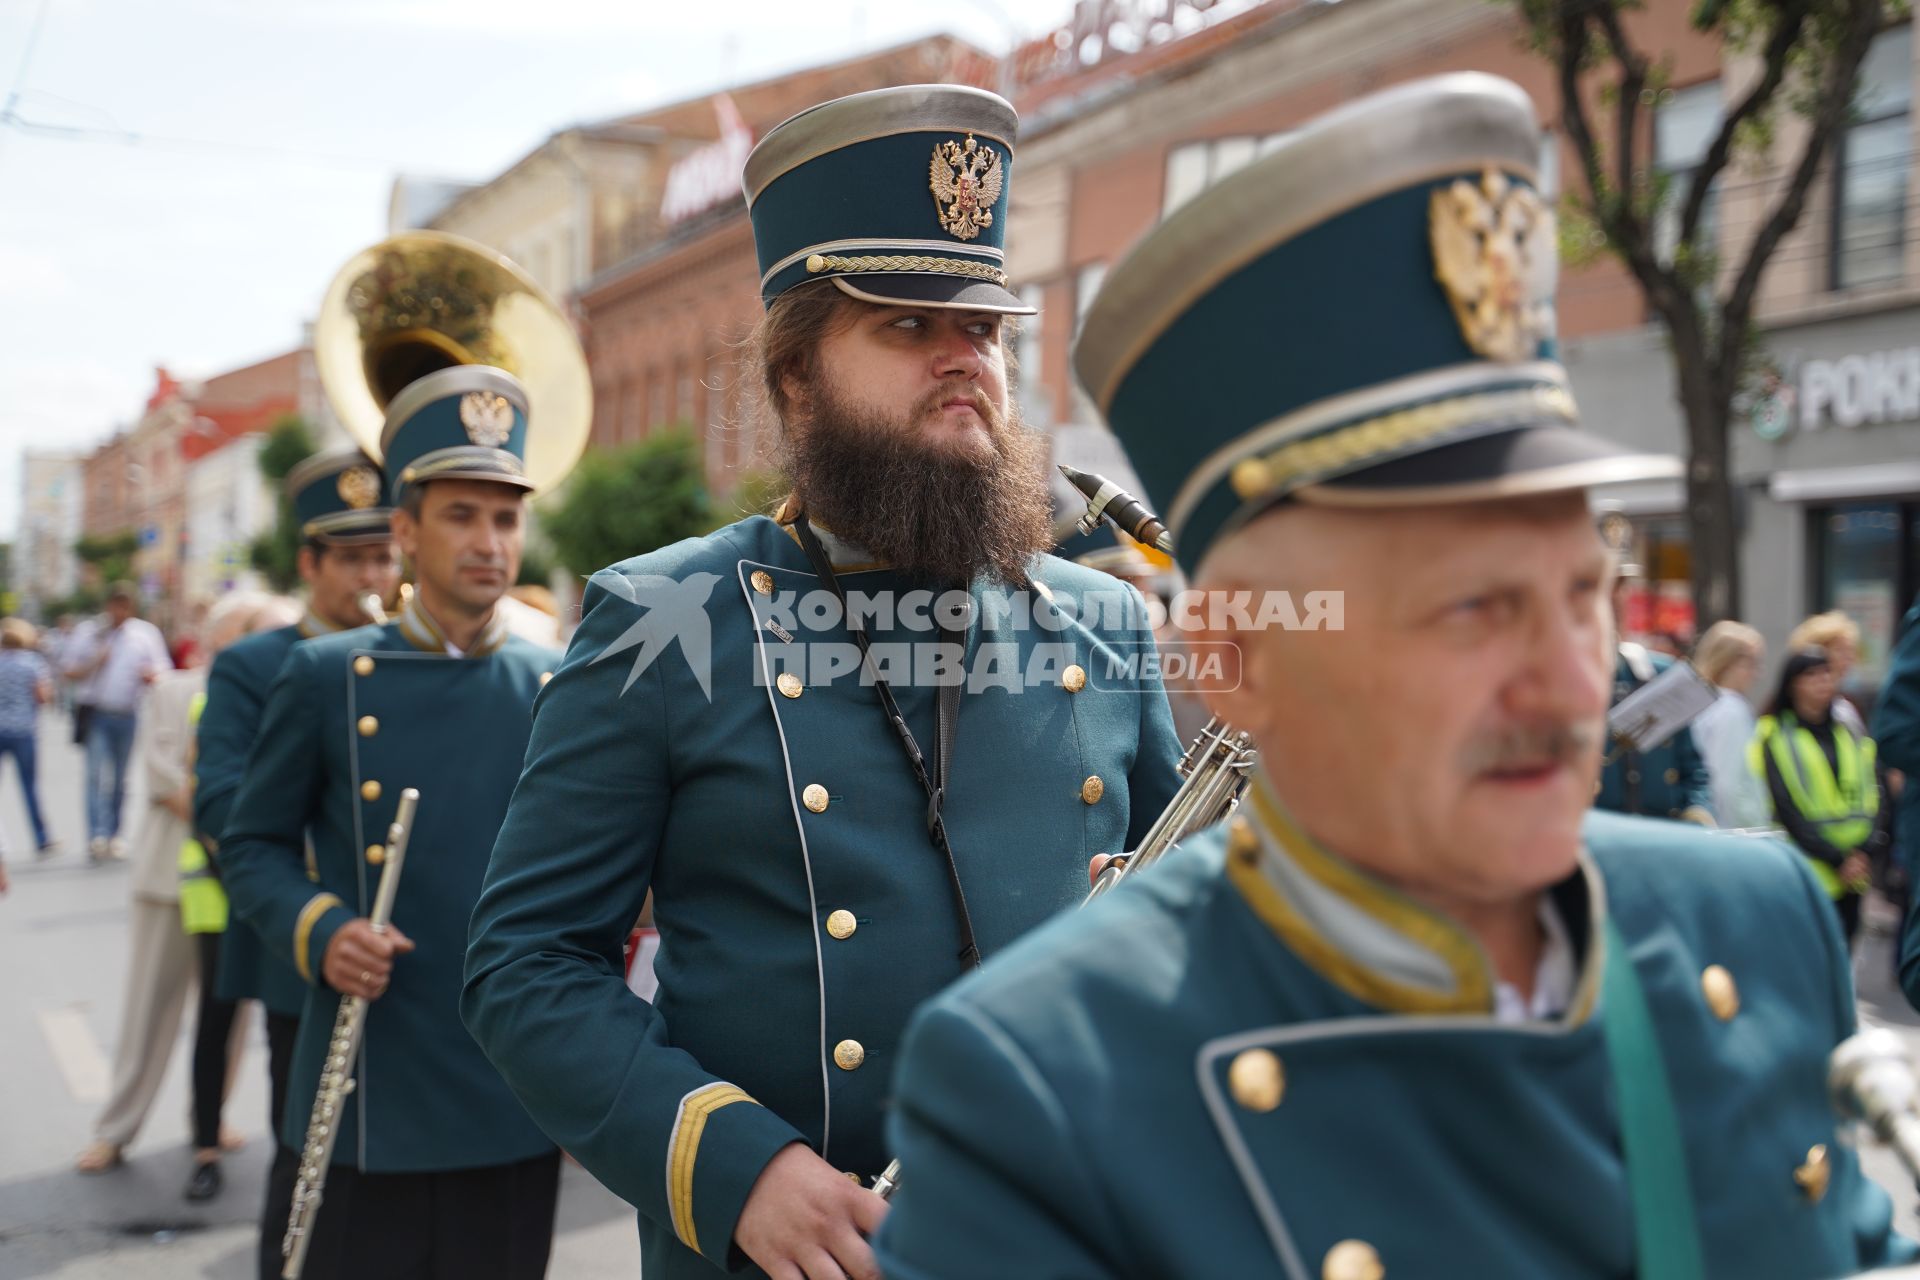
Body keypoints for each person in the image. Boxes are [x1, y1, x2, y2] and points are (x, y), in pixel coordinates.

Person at [874, 73, 1911, 1279]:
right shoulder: (1038, 1084)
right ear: (1236, 663)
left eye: (1586, 593)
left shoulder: (1756, 919)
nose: (1567, 682)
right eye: (1468, 610)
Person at [463, 84, 1181, 1280]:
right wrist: (736, 1166)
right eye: (907, 325)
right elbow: (527, 963)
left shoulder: (1103, 617)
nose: (967, 362)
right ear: (796, 377)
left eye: (986, 330)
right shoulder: (667, 614)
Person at [221, 365, 568, 1279]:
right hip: (367, 1081)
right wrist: (321, 930)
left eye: (505, 517)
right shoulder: (326, 674)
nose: (489, 542)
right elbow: (251, 844)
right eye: (461, 515)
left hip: (508, 1086)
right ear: (406, 532)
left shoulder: (557, 684)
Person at [193, 448, 400, 1277]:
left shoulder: (417, 655)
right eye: (351, 558)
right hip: (306, 947)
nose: (372, 575)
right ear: (309, 563)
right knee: (309, 1151)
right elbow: (224, 808)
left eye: (384, 553)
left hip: (415, 950)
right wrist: (317, 916)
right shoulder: (253, 664)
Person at [74, 593, 289, 1181]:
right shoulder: (176, 690)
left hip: (240, 883)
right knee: (150, 1011)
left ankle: (211, 1120)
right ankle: (116, 1130)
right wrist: (241, 817)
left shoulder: (281, 694)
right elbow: (165, 778)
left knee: (230, 1018)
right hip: (173, 878)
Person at [1752, 647, 1890, 949]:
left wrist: (1866, 851)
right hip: (1809, 867)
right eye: (1810, 674)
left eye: (1827, 672)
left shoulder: (1849, 728)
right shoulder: (1774, 733)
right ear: (1791, 685)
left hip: (1855, 868)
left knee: (1847, 955)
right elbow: (1785, 806)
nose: (1822, 681)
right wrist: (1838, 859)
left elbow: (1875, 789)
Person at [1595, 567, 1714, 824]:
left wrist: (1697, 808)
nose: (1615, 600)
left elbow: (1693, 768)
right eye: (1601, 588)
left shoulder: (1661, 673)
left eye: (1621, 588)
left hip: (1663, 835)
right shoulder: (1555, 681)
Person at [63, 583, 171, 860]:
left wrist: (150, 675)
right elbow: (68, 671)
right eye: (115, 605)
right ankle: (96, 834)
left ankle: (115, 833)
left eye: (124, 605)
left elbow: (163, 672)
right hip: (98, 713)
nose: (118, 611)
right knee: (95, 776)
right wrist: (95, 663)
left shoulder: (144, 634)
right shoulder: (90, 633)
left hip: (128, 714)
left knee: (121, 779)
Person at [1689, 620, 1768, 830]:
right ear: (1728, 660)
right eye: (1752, 662)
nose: (1757, 673)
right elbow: (1725, 785)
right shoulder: (1732, 708)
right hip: (1735, 833)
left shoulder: (1700, 702)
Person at [0, 617, 57, 855]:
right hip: (24, 730)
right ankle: (41, 838)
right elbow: (42, 696)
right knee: (29, 787)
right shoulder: (32, 663)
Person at [1791, 611, 1867, 731]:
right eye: (1840, 650)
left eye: (1851, 651)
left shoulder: (1846, 707)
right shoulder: (1791, 708)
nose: (1849, 658)